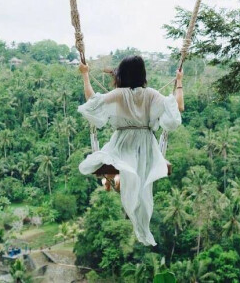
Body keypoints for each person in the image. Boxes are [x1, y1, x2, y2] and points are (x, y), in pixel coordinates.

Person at [78, 55, 184, 246]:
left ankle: (113, 180)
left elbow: (92, 102)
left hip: (122, 144)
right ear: (143, 74)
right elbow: (179, 108)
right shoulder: (152, 94)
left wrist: (85, 75)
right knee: (138, 178)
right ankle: (117, 182)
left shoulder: (119, 94)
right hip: (146, 148)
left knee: (121, 165)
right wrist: (179, 83)